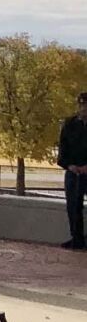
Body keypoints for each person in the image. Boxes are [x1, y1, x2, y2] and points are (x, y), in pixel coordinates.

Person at [61, 91, 87, 251]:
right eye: (82, 105)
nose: (84, 109)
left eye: (86, 105)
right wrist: (69, 165)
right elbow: (63, 149)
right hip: (73, 173)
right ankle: (76, 239)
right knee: (73, 205)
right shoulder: (70, 124)